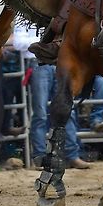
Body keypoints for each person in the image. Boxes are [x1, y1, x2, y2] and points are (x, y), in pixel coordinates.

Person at [13, 24, 90, 169]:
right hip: (40, 64)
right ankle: (42, 156)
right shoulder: (27, 17)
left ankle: (71, 155)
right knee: (41, 112)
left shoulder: (56, 14)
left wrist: (41, 45)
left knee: (67, 110)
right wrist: (48, 44)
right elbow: (18, 43)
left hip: (59, 63)